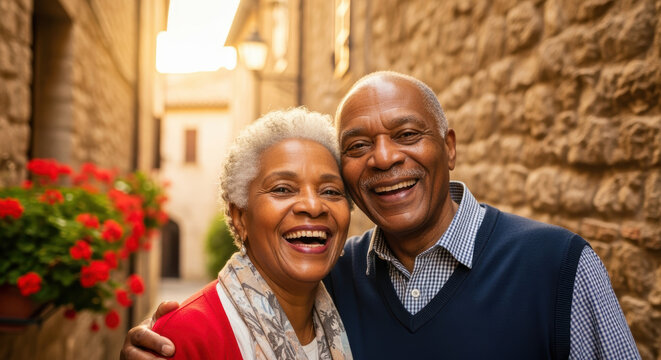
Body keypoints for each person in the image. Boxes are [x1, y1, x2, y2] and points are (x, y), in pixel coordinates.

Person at [121, 72, 639, 359]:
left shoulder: (557, 267)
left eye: (408, 135)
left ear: (449, 147)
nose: (386, 157)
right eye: (359, 144)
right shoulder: (333, 277)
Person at [145, 108, 353, 359]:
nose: (312, 205)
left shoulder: (356, 319)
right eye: (283, 189)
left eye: (331, 191)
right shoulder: (182, 338)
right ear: (240, 217)